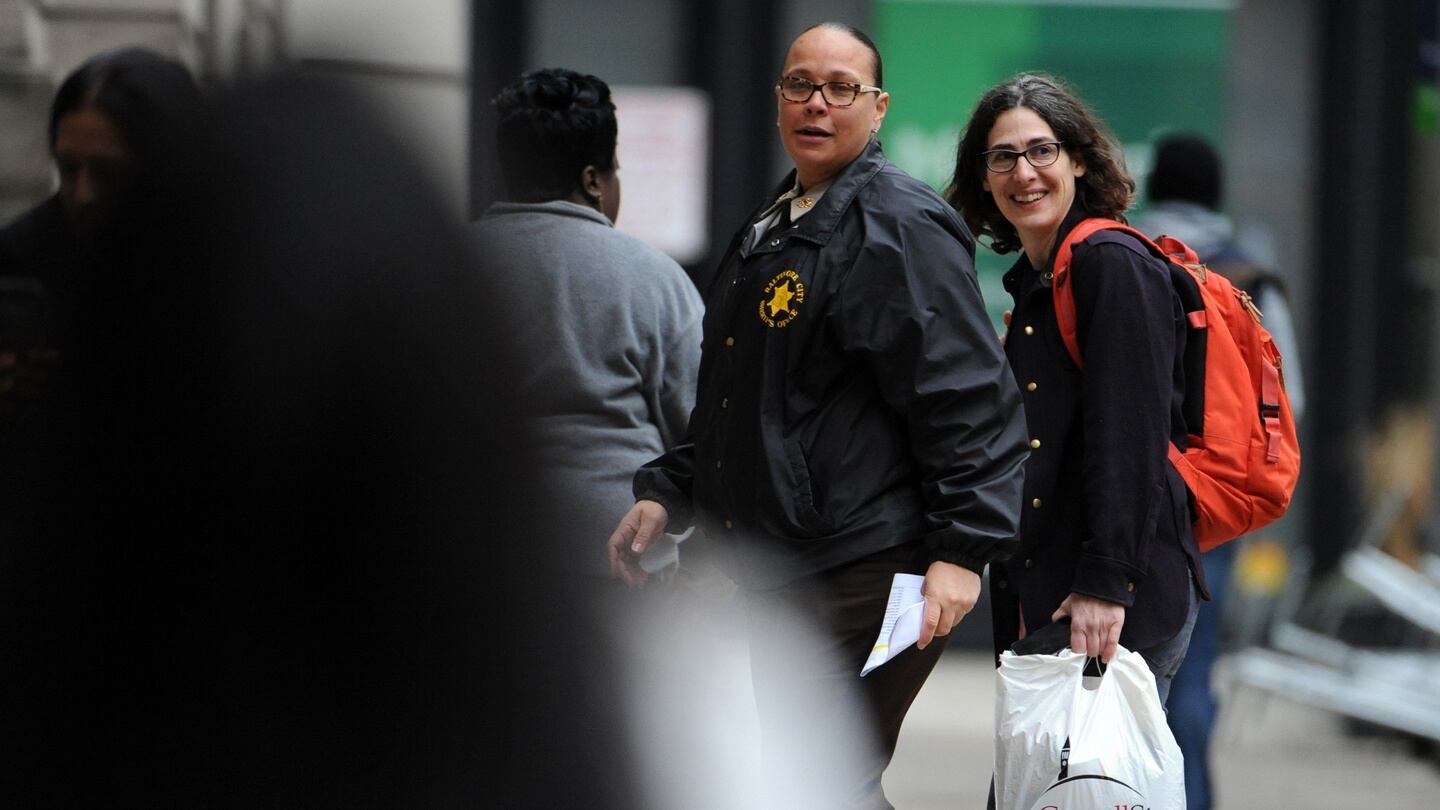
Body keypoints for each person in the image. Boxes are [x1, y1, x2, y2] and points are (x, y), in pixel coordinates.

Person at [609, 22, 1029, 808]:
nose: (817, 103)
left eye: (842, 88)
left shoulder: (895, 223)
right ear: (777, 101)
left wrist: (964, 553)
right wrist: (670, 489)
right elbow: (746, 399)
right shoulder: (781, 220)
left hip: (870, 565)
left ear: (879, 108)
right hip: (791, 569)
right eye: (800, 84)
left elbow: (968, 396)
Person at [946, 74, 1207, 703]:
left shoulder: (1110, 264)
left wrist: (1105, 585)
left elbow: (1129, 440)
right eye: (1002, 157)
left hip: (1108, 610)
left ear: (1079, 161)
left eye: (1042, 150)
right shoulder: (1042, 279)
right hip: (1052, 596)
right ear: (983, 177)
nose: (1022, 172)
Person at [471, 67, 702, 581]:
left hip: (479, 562)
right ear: (594, 180)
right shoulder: (657, 280)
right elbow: (700, 432)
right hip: (623, 565)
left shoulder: (444, 268)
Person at [1135, 132, 1306, 810]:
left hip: (1119, 495)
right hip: (1213, 512)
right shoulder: (1252, 277)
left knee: (1102, 669)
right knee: (1194, 670)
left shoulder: (1114, 255)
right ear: (1216, 190)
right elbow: (1286, 404)